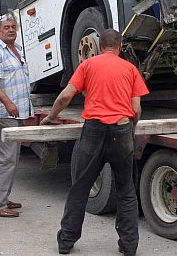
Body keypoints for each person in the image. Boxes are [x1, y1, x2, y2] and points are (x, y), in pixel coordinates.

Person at [40, 29, 148, 255]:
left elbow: (66, 96)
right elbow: (136, 109)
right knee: (126, 190)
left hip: (94, 131)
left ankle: (66, 242)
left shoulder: (88, 65)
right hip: (121, 129)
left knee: (80, 187)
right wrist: (131, 128)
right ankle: (129, 246)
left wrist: (51, 117)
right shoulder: (130, 69)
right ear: (119, 47)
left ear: (100, 46)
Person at [0, 15, 32, 218]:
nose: (11, 30)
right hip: (4, 113)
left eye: (13, 27)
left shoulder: (16, 49)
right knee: (6, 159)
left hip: (16, 113)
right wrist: (8, 102)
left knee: (12, 158)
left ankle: (2, 198)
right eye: (6, 27)